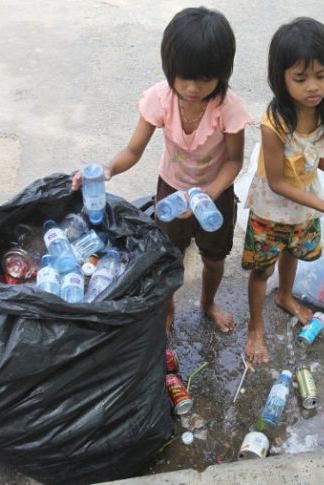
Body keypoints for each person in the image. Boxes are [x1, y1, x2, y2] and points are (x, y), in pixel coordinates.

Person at [72, 6, 252, 335]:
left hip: (214, 194)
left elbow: (234, 161)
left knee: (214, 257)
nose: (193, 88)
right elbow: (133, 150)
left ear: (222, 73)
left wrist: (207, 196)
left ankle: (208, 303)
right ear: (169, 66)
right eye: (184, 77)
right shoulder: (161, 98)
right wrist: (109, 169)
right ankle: (167, 306)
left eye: (205, 79)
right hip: (171, 189)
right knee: (169, 256)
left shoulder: (229, 107)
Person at [242, 17, 324, 364]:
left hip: (303, 207)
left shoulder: (323, 111)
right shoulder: (274, 123)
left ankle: (286, 296)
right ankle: (255, 326)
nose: (313, 87)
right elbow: (278, 183)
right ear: (280, 78)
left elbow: (320, 157)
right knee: (262, 269)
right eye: (301, 78)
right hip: (272, 207)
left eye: (321, 76)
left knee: (292, 251)